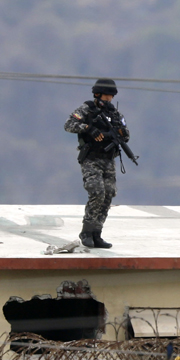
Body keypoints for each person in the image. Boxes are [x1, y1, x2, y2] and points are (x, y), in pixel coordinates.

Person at [64, 78, 132, 249]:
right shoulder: (87, 109)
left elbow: (126, 134)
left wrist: (121, 133)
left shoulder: (115, 114)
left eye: (111, 96)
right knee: (97, 192)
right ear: (97, 94)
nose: (108, 99)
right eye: (106, 95)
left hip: (108, 159)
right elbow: (69, 124)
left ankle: (97, 233)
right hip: (91, 158)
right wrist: (88, 128)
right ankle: (86, 231)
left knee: (108, 195)